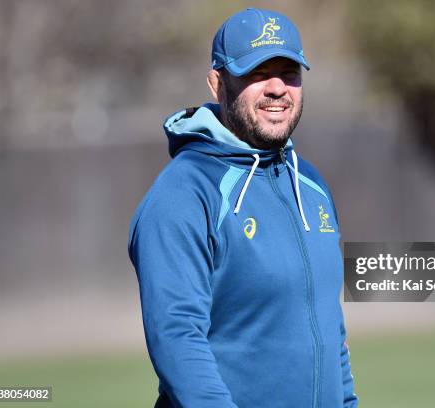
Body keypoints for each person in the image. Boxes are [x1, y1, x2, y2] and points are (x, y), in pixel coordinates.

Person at [128, 8, 358, 408]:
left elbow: (330, 331)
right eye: (256, 72)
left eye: (289, 72)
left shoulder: (312, 186)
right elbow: (177, 337)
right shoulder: (184, 193)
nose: (277, 88)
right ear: (218, 84)